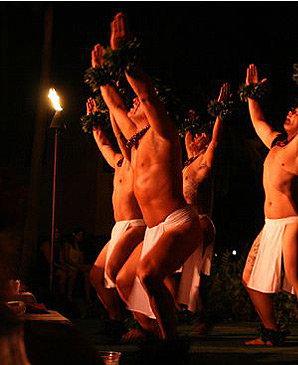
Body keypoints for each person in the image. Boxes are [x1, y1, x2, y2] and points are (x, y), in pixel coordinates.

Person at [93, 13, 202, 352]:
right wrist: (101, 74)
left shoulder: (163, 133)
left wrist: (123, 57)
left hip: (179, 223)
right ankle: (155, 333)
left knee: (150, 275)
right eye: (134, 104)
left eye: (138, 102)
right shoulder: (135, 139)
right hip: (155, 228)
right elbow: (114, 103)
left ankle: (171, 343)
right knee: (124, 279)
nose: (134, 104)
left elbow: (147, 94)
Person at [241, 39, 298, 353]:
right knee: (249, 277)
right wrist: (251, 94)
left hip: (295, 220)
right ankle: (270, 331)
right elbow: (257, 121)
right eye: (292, 109)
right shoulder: (278, 143)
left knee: (295, 273)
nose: (291, 112)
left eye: (297, 111)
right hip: (271, 223)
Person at [85, 98, 146, 339]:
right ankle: (115, 320)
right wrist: (95, 123)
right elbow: (103, 144)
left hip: (136, 225)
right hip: (118, 228)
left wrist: (112, 109)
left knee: (116, 274)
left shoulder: (138, 159)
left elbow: (122, 134)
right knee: (95, 276)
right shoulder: (120, 161)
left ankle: (139, 322)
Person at [179, 84, 228, 333]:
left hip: (200, 222)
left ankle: (204, 317)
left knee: (195, 274)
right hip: (186, 222)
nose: (198, 137)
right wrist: (190, 122)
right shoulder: (188, 161)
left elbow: (215, 140)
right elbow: (187, 137)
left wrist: (219, 112)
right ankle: (196, 315)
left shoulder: (204, 164)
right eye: (197, 136)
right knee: (184, 272)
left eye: (202, 137)